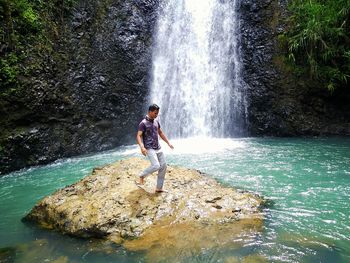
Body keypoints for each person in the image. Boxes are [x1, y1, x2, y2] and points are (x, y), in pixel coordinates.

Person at [136, 103, 174, 192]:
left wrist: (168, 143)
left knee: (163, 166)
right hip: (149, 147)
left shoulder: (156, 122)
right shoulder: (143, 123)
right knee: (156, 165)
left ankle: (159, 188)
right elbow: (138, 136)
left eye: (157, 113)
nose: (156, 115)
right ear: (150, 111)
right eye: (155, 113)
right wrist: (142, 147)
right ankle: (142, 175)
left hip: (158, 147)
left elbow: (160, 133)